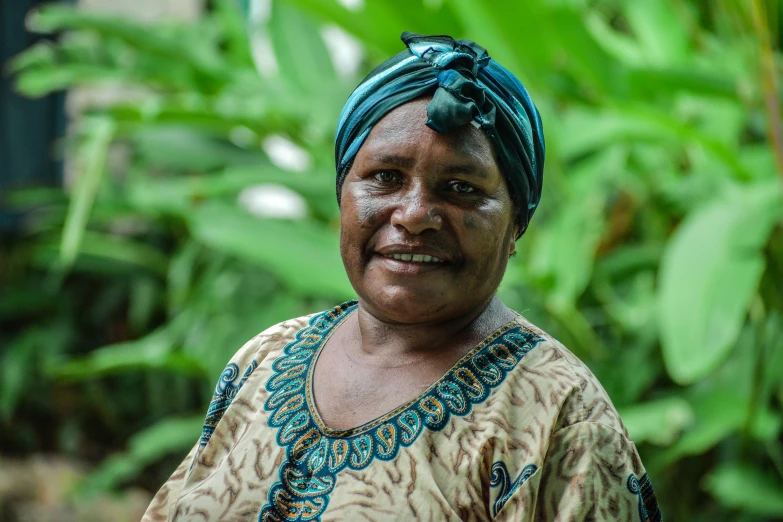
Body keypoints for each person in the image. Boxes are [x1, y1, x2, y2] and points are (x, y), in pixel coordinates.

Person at [142, 33, 661, 522]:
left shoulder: (558, 420)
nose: (414, 214)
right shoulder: (266, 358)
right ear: (344, 192)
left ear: (516, 221)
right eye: (385, 178)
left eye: (460, 187)